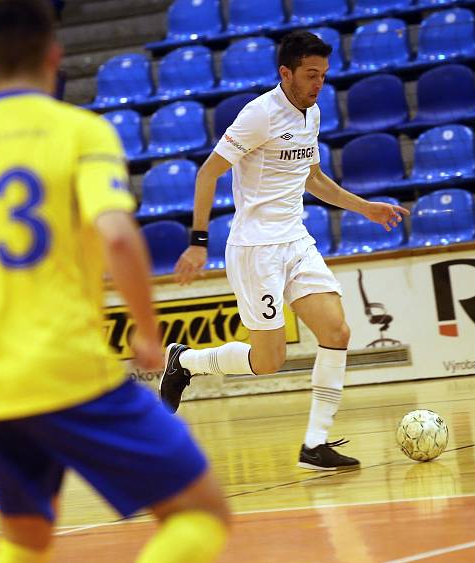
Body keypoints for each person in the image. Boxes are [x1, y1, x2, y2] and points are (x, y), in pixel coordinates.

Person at [0, 1, 230, 562]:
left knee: (26, 539)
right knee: (201, 512)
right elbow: (116, 235)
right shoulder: (79, 131)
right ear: (55, 56)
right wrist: (147, 333)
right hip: (64, 364)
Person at [159, 31, 409, 472]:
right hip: (256, 250)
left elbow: (312, 178)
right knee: (269, 360)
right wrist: (199, 243)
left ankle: (315, 444)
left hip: (296, 241)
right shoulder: (258, 115)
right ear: (285, 72)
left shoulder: (310, 113)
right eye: (311, 75)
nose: (318, 84)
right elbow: (207, 174)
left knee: (337, 332)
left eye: (324, 76)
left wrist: (365, 208)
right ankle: (187, 362)